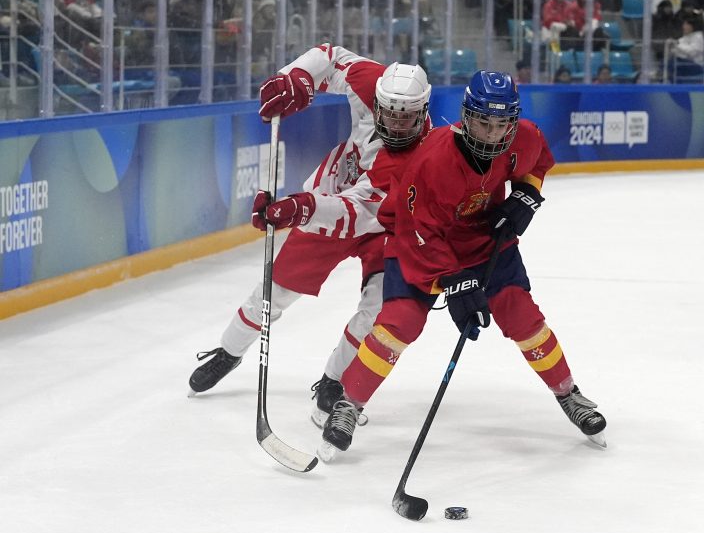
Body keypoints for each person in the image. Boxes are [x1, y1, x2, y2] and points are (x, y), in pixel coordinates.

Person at [318, 70, 607, 459]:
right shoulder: (435, 159)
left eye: (501, 124)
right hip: (416, 243)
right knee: (399, 324)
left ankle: (568, 394)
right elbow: (417, 229)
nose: (491, 133)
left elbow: (537, 164)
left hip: (483, 243)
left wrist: (525, 196)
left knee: (523, 317)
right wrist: (456, 283)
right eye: (483, 123)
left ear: (513, 120)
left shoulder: (524, 136)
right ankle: (348, 405)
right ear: (466, 117)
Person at [188, 44, 434, 430]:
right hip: (333, 194)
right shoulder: (373, 82)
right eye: (390, 115)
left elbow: (356, 214)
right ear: (380, 100)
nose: (396, 125)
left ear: (422, 113)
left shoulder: (418, 159)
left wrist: (300, 207)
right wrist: (298, 77)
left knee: (378, 308)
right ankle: (229, 350)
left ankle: (334, 381)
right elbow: (331, 55)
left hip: (383, 223)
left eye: (407, 119)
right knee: (275, 290)